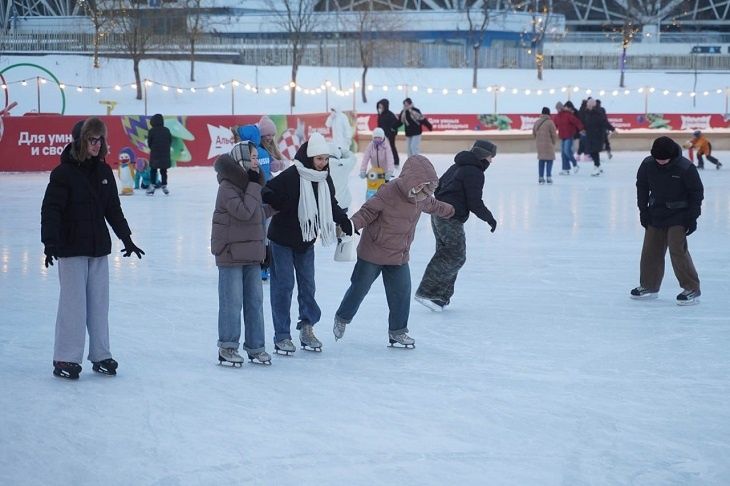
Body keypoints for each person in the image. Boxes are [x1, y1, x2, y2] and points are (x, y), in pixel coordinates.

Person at [41, 117, 144, 380]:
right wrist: (50, 242)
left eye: (100, 139)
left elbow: (113, 209)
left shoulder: (104, 172)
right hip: (71, 248)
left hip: (98, 248)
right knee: (73, 306)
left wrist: (127, 238)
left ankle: (101, 355)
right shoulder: (63, 174)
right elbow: (51, 210)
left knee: (99, 305)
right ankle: (66, 357)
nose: (97, 145)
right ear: (80, 141)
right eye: (91, 139)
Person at [332, 154, 455, 347]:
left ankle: (398, 332)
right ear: (411, 180)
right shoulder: (388, 191)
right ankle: (342, 318)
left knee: (401, 293)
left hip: (399, 255)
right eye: (421, 186)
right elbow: (367, 212)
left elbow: (435, 206)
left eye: (427, 188)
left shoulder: (422, 198)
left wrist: (454, 211)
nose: (423, 192)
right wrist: (350, 225)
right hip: (373, 252)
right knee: (359, 288)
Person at [261, 132, 352, 354]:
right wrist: (280, 201)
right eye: (319, 159)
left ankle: (307, 328)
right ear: (310, 157)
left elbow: (330, 202)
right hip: (282, 240)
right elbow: (267, 191)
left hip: (305, 240)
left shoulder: (324, 178)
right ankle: (282, 335)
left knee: (308, 287)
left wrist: (343, 219)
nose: (323, 163)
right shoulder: (292, 175)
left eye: (326, 159)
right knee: (283, 287)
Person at [415, 140, 498, 312]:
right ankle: (428, 293)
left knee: (447, 253)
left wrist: (442, 205)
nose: (491, 161)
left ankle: (440, 298)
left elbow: (438, 187)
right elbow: (474, 202)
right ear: (483, 155)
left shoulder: (457, 166)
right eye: (491, 157)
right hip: (450, 217)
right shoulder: (474, 172)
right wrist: (489, 218)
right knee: (455, 255)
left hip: (439, 214)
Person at [211, 142, 272, 366]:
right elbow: (244, 212)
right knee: (232, 302)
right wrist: (255, 186)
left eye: (256, 157)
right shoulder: (227, 187)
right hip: (230, 253)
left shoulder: (251, 184)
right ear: (241, 160)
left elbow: (256, 213)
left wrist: (276, 205)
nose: (257, 161)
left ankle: (256, 347)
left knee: (255, 302)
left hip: (251, 252)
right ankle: (227, 347)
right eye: (253, 157)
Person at [631, 136, 704, 305]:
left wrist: (692, 218)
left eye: (664, 159)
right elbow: (642, 187)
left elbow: (696, 193)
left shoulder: (685, 167)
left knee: (677, 249)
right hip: (656, 212)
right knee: (650, 250)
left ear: (672, 155)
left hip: (680, 214)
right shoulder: (648, 164)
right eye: (658, 158)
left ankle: (691, 288)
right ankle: (649, 286)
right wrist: (643, 211)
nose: (661, 162)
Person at [582, 98, 615, 176]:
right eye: (587, 104)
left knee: (594, 151)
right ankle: (598, 166)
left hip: (597, 135)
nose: (587, 106)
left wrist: (612, 128)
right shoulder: (587, 113)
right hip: (590, 135)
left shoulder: (598, 113)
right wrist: (583, 129)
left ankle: (596, 167)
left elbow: (604, 122)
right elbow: (586, 123)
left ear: (592, 105)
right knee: (592, 152)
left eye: (588, 104)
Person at [554, 101, 584, 175]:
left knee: (567, 151)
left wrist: (581, 129)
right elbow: (554, 126)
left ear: (561, 108)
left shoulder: (568, 115)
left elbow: (577, 122)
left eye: (558, 108)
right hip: (562, 136)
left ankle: (575, 164)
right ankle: (565, 169)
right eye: (557, 108)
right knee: (563, 154)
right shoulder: (557, 117)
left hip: (569, 135)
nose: (558, 109)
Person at [146, 113, 172, 195]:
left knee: (153, 170)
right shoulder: (166, 130)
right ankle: (164, 185)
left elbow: (149, 142)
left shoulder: (152, 131)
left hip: (155, 154)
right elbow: (170, 141)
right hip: (165, 154)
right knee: (163, 170)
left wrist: (153, 148)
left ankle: (152, 185)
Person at [328, 143, 357, 214]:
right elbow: (353, 158)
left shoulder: (321, 165)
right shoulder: (344, 164)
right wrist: (342, 151)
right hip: (342, 204)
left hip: (326, 205)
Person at [533, 107, 558, 184]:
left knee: (541, 160)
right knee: (549, 160)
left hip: (539, 145)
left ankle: (541, 177)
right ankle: (548, 177)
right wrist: (553, 142)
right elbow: (554, 134)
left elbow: (534, 133)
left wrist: (538, 140)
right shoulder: (550, 122)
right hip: (549, 145)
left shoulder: (537, 122)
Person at [376, 98, 401, 167]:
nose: (380, 108)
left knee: (391, 147)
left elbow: (395, 125)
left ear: (385, 106)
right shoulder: (380, 115)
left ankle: (396, 162)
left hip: (390, 135)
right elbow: (379, 125)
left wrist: (392, 133)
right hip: (382, 134)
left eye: (381, 106)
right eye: (379, 106)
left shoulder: (390, 115)